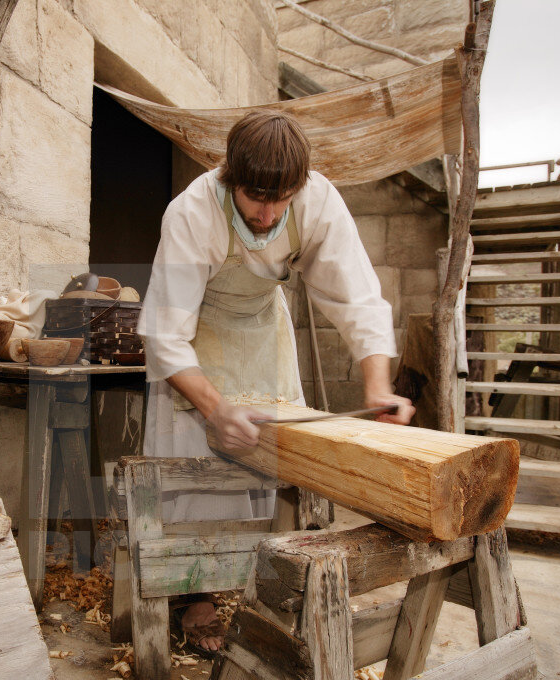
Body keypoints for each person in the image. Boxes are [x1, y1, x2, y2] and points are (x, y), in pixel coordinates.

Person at [136, 110, 415, 652]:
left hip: (264, 326)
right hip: (199, 330)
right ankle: (196, 597)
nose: (266, 214)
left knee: (269, 461)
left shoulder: (317, 201)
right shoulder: (193, 210)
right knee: (196, 464)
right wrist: (214, 408)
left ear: (299, 186)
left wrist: (377, 387)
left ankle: (253, 578)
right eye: (253, 198)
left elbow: (358, 297)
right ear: (229, 179)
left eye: (279, 199)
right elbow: (165, 334)